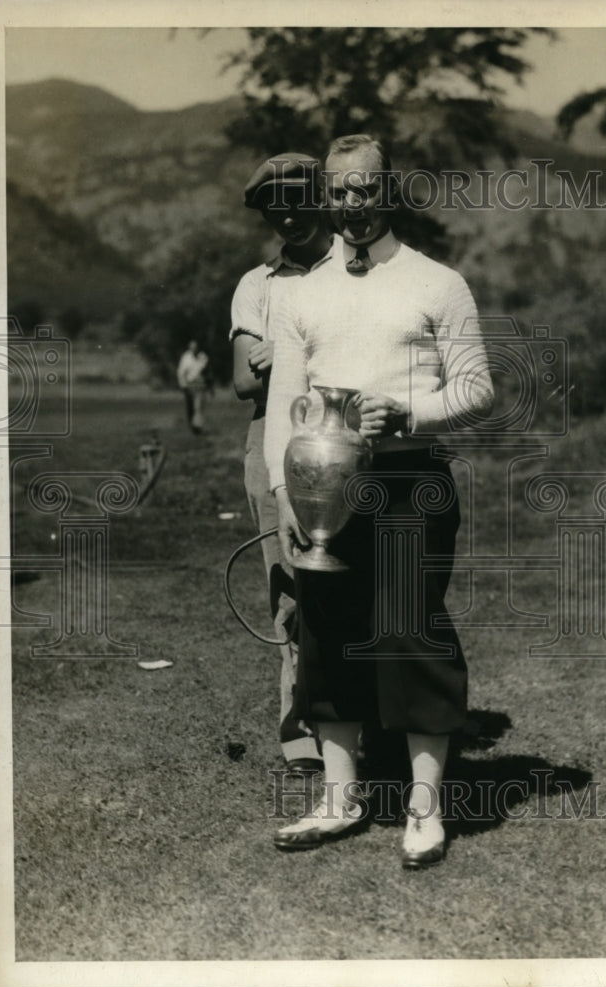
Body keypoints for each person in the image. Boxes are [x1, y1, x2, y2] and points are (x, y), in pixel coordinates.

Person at [264, 135, 494, 868]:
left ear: (389, 191)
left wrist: (408, 414)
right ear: (324, 197)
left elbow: (477, 389)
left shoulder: (437, 282)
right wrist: (285, 500)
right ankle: (340, 799)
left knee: (408, 634)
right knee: (325, 634)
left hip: (409, 483)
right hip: (321, 489)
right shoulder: (298, 293)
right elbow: (282, 408)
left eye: (366, 190)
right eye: (339, 191)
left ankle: (424, 809)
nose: (352, 204)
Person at [230, 153, 334, 773]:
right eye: (276, 208)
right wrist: (269, 360)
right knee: (290, 588)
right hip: (274, 436)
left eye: (300, 200)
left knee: (356, 583)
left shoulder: (354, 272)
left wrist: (292, 354)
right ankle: (300, 728)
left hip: (342, 433)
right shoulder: (258, 284)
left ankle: (358, 718)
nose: (290, 216)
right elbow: (244, 381)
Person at [177, 339, 210, 433]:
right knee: (190, 407)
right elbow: (181, 372)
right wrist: (183, 384)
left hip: (200, 384)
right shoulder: (186, 357)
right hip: (189, 385)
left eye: (195, 348)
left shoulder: (203, 357)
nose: (194, 349)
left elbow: (205, 371)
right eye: (192, 348)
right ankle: (192, 426)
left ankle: (198, 426)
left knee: (198, 406)